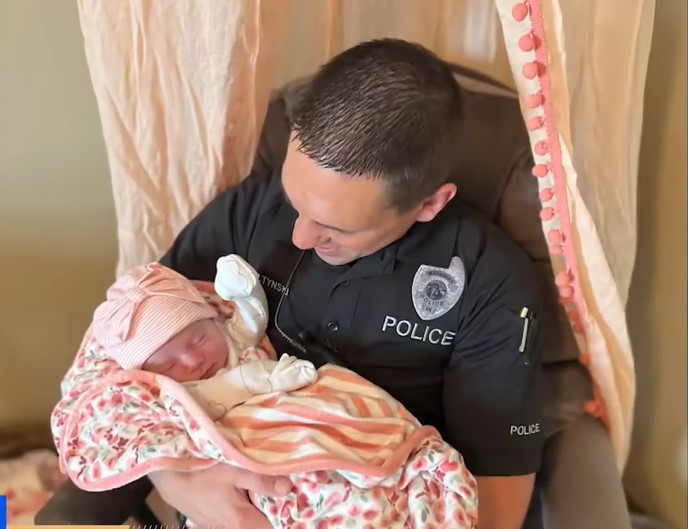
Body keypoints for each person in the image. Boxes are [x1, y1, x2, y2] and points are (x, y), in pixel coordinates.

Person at [41, 39, 546, 529]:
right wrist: (176, 476)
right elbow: (130, 341)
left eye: (337, 228)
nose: (300, 234)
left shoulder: (489, 286)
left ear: (429, 204)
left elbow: (493, 507)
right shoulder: (248, 212)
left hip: (364, 489)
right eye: (294, 199)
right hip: (202, 455)